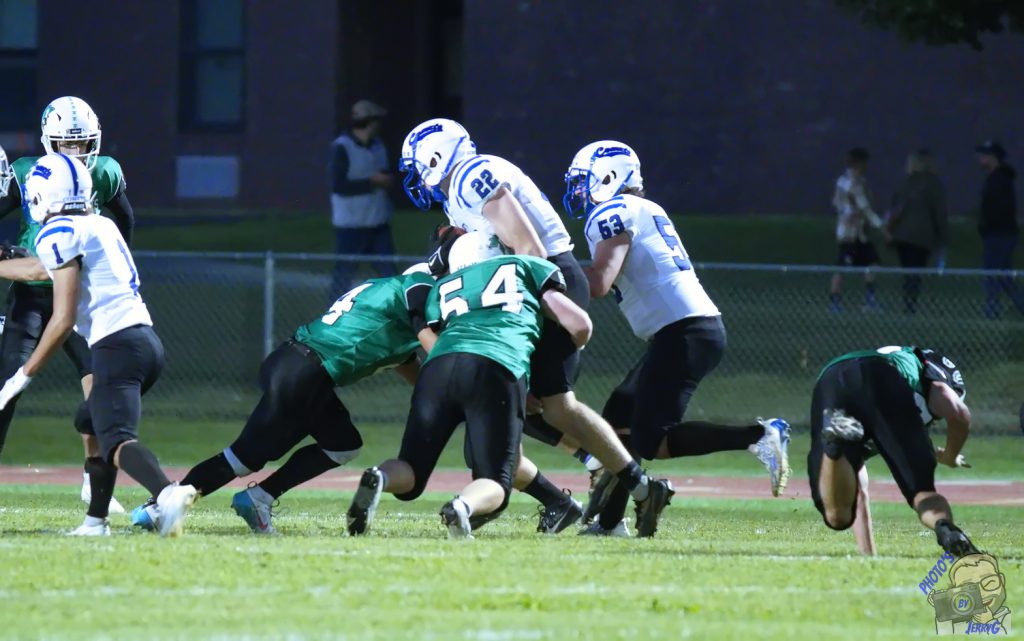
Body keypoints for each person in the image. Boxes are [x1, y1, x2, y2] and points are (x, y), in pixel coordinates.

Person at [398, 118, 674, 537]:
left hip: (541, 277)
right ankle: (618, 484)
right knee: (521, 400)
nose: (417, 178)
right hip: (530, 282)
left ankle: (620, 484)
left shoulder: (472, 175)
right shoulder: (460, 190)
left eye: (419, 166)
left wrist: (543, 299)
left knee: (548, 402)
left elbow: (529, 248)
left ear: (436, 157)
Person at [563, 141, 791, 535]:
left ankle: (759, 436)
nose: (579, 192)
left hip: (684, 332)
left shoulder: (612, 211)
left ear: (609, 177)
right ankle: (610, 523)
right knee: (618, 418)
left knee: (653, 441)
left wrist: (548, 273)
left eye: (584, 181)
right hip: (687, 330)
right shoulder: (644, 208)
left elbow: (599, 281)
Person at [132, 264, 435, 534]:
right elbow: (423, 320)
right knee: (249, 457)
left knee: (334, 445)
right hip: (305, 373)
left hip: (295, 366)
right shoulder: (412, 289)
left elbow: (420, 376)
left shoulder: (389, 307)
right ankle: (169, 506)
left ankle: (231, 500)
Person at [346, 232, 593, 538]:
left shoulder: (443, 287)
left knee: (410, 469)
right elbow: (579, 325)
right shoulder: (524, 266)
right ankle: (463, 506)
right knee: (495, 479)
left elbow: (432, 330)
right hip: (496, 365)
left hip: (438, 365)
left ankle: (380, 477)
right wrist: (570, 351)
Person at [0, 154, 193, 537]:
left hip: (115, 346)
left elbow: (62, 316)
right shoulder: (101, 224)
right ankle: (95, 521)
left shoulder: (58, 232)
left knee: (117, 440)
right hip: (144, 342)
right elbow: (41, 267)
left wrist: (22, 375)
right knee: (88, 421)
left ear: (42, 196)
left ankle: (167, 493)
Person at [0, 97, 134, 515]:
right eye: (66, 145)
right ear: (48, 143)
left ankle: (94, 485)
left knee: (100, 382)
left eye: (83, 144)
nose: (77, 153)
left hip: (81, 296)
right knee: (5, 389)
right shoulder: (27, 173)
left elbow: (124, 223)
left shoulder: (106, 171)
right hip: (33, 295)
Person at [808, 345, 979, 558]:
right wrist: (950, 456)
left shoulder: (903, 363)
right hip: (881, 376)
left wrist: (869, 558)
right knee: (922, 492)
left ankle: (834, 447)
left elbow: (859, 491)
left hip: (831, 379)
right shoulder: (926, 379)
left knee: (838, 517)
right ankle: (945, 528)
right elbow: (959, 413)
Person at [328, 99, 396, 294]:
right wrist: (372, 182)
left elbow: (385, 173)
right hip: (351, 225)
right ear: (370, 122)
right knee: (343, 276)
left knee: (390, 275)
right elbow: (339, 186)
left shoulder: (378, 146)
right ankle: (333, 317)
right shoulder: (341, 147)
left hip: (378, 222)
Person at [886, 149, 948, 314]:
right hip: (923, 236)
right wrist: (942, 239)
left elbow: (894, 208)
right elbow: (939, 214)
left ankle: (908, 303)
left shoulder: (905, 183)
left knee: (907, 270)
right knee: (916, 271)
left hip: (903, 235)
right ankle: (910, 304)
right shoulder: (934, 185)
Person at [830, 147, 883, 312]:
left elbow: (835, 202)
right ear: (859, 163)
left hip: (857, 233)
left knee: (872, 262)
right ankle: (835, 303)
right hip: (850, 233)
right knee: (842, 266)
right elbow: (865, 208)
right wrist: (882, 227)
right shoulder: (855, 183)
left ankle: (869, 300)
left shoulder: (842, 180)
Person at [975, 140, 1024, 318]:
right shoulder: (998, 179)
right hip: (1000, 233)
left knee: (993, 275)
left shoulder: (999, 180)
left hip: (999, 235)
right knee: (1003, 277)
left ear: (994, 158)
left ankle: (992, 311)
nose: (980, 159)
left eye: (984, 155)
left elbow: (998, 210)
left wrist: (987, 226)